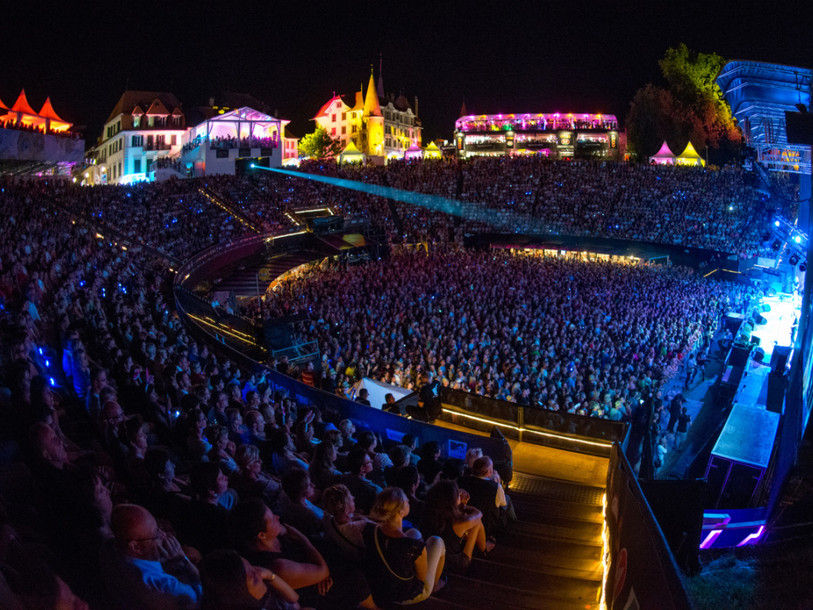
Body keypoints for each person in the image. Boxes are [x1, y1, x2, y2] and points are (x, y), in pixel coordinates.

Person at [102, 503, 202, 609]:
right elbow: (202, 593)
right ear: (135, 547)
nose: (163, 535)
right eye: (156, 533)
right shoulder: (164, 587)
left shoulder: (109, 545)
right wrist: (181, 559)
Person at [362, 487, 446, 605]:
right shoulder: (414, 547)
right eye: (407, 502)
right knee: (437, 541)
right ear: (401, 512)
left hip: (380, 588)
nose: (409, 502)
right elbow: (421, 579)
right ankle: (434, 585)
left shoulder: (369, 531)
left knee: (414, 532)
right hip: (405, 595)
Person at [421, 479, 494, 573]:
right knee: (477, 522)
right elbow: (478, 514)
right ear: (451, 503)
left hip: (430, 552)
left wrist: (457, 502)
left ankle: (483, 548)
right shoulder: (458, 523)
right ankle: (483, 550)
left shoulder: (429, 511)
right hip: (449, 563)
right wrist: (463, 505)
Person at [198, 549, 299, 610]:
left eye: (253, 567)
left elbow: (294, 599)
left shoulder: (259, 594)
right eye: (254, 578)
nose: (260, 575)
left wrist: (270, 575)